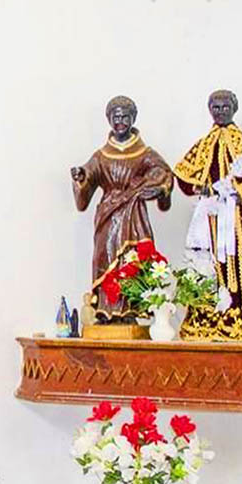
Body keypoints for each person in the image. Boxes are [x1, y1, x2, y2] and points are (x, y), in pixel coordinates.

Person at [175, 90, 242, 340]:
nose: (220, 111)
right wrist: (200, 189)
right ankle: (209, 317)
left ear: (234, 108)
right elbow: (183, 175)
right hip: (210, 217)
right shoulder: (204, 144)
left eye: (225, 107)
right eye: (215, 107)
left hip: (238, 216)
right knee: (207, 264)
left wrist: (237, 190)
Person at [71, 96, 174, 322]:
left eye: (124, 116)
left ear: (133, 118)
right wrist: (80, 178)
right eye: (115, 117)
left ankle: (130, 311)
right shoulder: (101, 155)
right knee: (105, 260)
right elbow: (87, 180)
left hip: (134, 215)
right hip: (108, 216)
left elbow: (164, 174)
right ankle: (106, 311)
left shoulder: (145, 152)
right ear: (108, 119)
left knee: (132, 259)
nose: (120, 121)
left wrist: (157, 188)